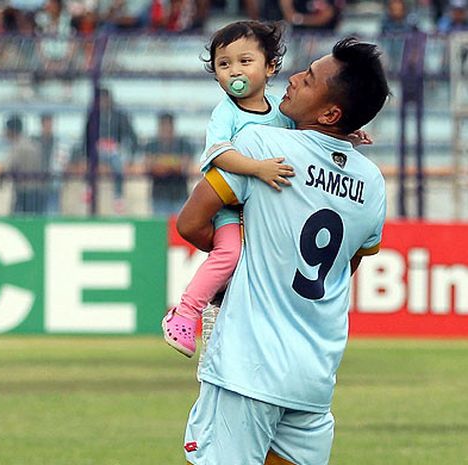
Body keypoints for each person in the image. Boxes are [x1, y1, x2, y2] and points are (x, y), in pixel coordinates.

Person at [177, 37, 389, 465]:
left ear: (330, 113)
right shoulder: (372, 183)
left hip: (247, 367)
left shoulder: (260, 145)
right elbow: (344, 269)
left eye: (309, 80)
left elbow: (190, 223)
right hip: (313, 375)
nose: (292, 79)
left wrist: (241, 265)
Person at [161, 21, 295, 358]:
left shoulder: (282, 110)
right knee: (229, 254)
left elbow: (307, 136)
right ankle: (186, 312)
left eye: (244, 61)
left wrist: (345, 135)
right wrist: (258, 168)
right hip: (229, 206)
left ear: (270, 67)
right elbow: (219, 153)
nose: (233, 70)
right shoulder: (226, 113)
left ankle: (229, 320)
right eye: (224, 64)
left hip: (264, 206)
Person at [83, 87, 138, 214]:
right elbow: (85, 137)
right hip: (98, 150)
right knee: (91, 159)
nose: (103, 102)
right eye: (100, 100)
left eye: (105, 99)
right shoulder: (92, 116)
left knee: (118, 163)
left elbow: (132, 137)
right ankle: (89, 189)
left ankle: (118, 197)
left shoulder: (120, 116)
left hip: (114, 151)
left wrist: (130, 156)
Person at [142, 112, 196, 216]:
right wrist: (172, 165)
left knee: (179, 229)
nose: (166, 130)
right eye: (163, 126)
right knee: (160, 229)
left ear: (173, 127)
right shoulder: (151, 145)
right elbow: (149, 167)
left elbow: (184, 168)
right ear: (159, 127)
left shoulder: (184, 144)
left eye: (168, 126)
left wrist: (162, 164)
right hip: (159, 196)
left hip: (180, 195)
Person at [4, 114, 48, 214]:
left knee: (20, 221)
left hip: (24, 192)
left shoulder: (17, 147)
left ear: (11, 131)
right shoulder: (35, 145)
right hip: (38, 191)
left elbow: (8, 167)